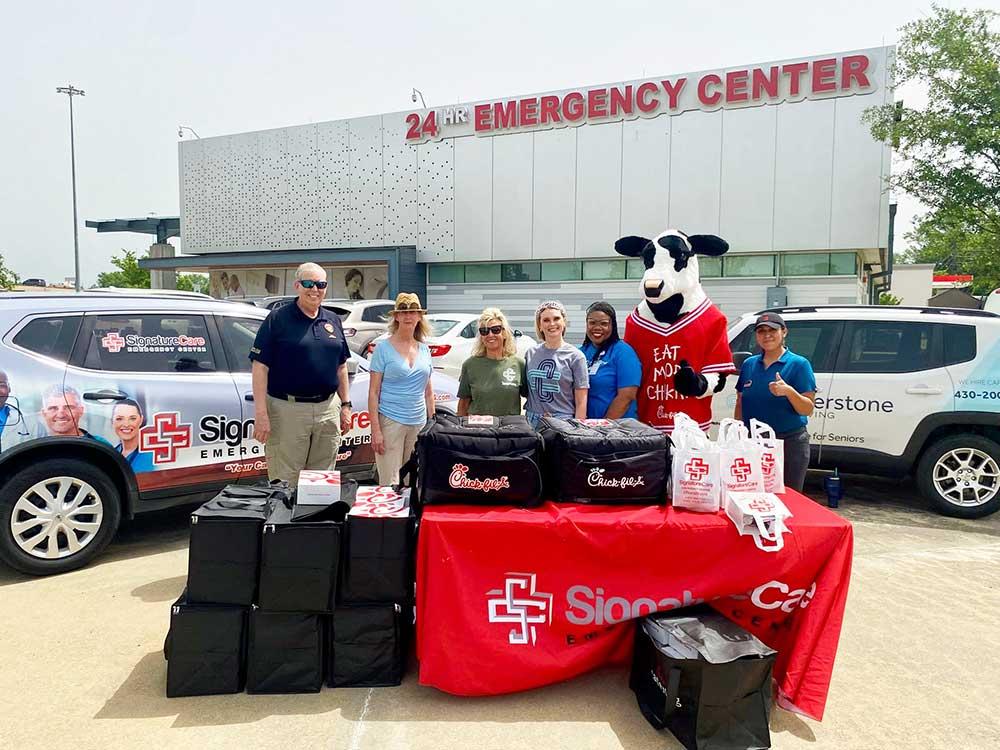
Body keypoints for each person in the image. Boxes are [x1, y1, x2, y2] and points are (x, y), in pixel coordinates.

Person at [250, 262, 352, 483]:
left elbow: (341, 366)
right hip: (288, 411)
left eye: (321, 284)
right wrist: (261, 413)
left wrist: (345, 405)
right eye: (308, 283)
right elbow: (260, 367)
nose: (315, 289)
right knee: (285, 481)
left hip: (328, 410)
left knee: (323, 481)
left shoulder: (332, 320)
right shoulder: (277, 319)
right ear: (297, 285)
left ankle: (317, 518)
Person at [734, 312, 817, 492]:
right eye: (761, 331)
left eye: (772, 330)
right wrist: (738, 434)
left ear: (784, 332)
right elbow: (740, 402)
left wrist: (788, 391)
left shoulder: (799, 364)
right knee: (753, 497)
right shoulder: (749, 364)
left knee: (788, 499)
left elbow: (807, 409)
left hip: (788, 443)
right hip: (754, 444)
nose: (767, 335)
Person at [368, 293, 435, 485]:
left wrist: (433, 424)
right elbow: (373, 393)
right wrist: (376, 430)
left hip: (419, 423)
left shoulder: (424, 349)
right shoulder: (383, 348)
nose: (408, 316)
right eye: (403, 312)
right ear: (396, 317)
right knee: (390, 482)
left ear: (419, 316)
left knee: (413, 481)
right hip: (390, 421)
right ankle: (389, 516)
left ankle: (411, 516)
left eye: (413, 312)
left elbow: (428, 392)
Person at [524, 300, 589, 427]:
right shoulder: (530, 353)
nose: (552, 323)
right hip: (532, 420)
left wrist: (578, 428)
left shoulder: (576, 356)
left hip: (563, 421)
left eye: (556, 318)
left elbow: (581, 400)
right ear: (540, 326)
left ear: (564, 322)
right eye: (546, 320)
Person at [457, 308, 526, 417]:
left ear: (504, 333)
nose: (490, 335)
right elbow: (463, 404)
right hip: (478, 429)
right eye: (484, 331)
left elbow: (532, 399)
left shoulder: (519, 365)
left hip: (508, 430)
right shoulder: (469, 365)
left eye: (496, 329)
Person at [580, 302, 642, 419]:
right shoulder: (579, 353)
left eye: (604, 324)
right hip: (585, 429)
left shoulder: (624, 352)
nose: (597, 328)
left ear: (613, 326)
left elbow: (627, 396)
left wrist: (603, 427)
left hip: (616, 430)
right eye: (592, 323)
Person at [39, 384, 111, 444]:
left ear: (81, 411)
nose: (61, 415)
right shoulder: (34, 448)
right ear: (44, 414)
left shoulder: (100, 444)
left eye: (68, 407)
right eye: (53, 408)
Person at [111, 399, 155, 472]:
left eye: (132, 418)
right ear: (112, 422)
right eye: (119, 419)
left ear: (141, 420)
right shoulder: (112, 453)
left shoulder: (152, 456)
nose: (126, 424)